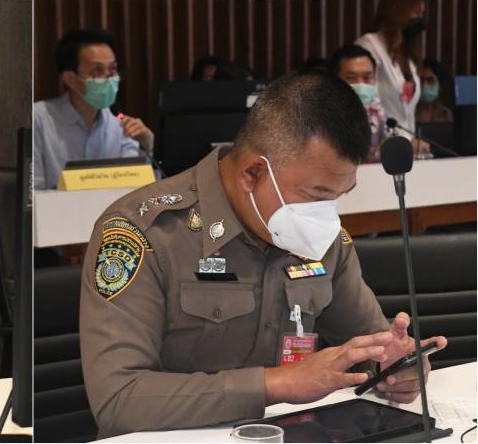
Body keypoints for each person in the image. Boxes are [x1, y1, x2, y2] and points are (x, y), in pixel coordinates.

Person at [79, 72, 446, 437]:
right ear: (252, 173)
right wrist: (277, 384)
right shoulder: (145, 232)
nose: (325, 215)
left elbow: (369, 345)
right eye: (316, 196)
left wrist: (395, 367)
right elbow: (118, 399)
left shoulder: (321, 237)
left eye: (339, 196)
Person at [34, 28, 155, 190]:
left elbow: (135, 189)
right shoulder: (39, 119)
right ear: (70, 79)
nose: (109, 77)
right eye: (97, 70)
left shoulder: (121, 126)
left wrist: (147, 146)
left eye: (112, 68)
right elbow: (31, 193)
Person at [356, 1, 425, 134]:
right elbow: (368, 103)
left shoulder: (406, 54)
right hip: (378, 139)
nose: (420, 19)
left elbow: (408, 114)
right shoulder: (370, 44)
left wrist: (413, 140)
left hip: (406, 142)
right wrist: (395, 138)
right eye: (416, 13)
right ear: (397, 12)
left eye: (422, 14)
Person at [330, 44, 389, 162]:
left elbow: (392, 141)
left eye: (367, 78)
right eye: (350, 77)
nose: (360, 84)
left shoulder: (378, 114)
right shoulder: (320, 117)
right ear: (334, 80)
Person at [416, 58, 454, 124]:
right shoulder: (408, 112)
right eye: (421, 80)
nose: (424, 85)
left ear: (440, 85)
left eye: (430, 80)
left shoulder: (446, 114)